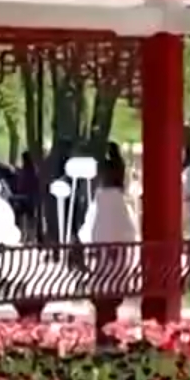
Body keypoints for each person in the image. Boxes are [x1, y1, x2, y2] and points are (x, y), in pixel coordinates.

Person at [83, 143, 138, 342]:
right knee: (112, 287)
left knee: (102, 286)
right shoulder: (122, 204)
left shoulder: (100, 203)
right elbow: (130, 232)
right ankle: (110, 333)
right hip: (119, 261)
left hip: (102, 264)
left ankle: (104, 334)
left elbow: (89, 232)